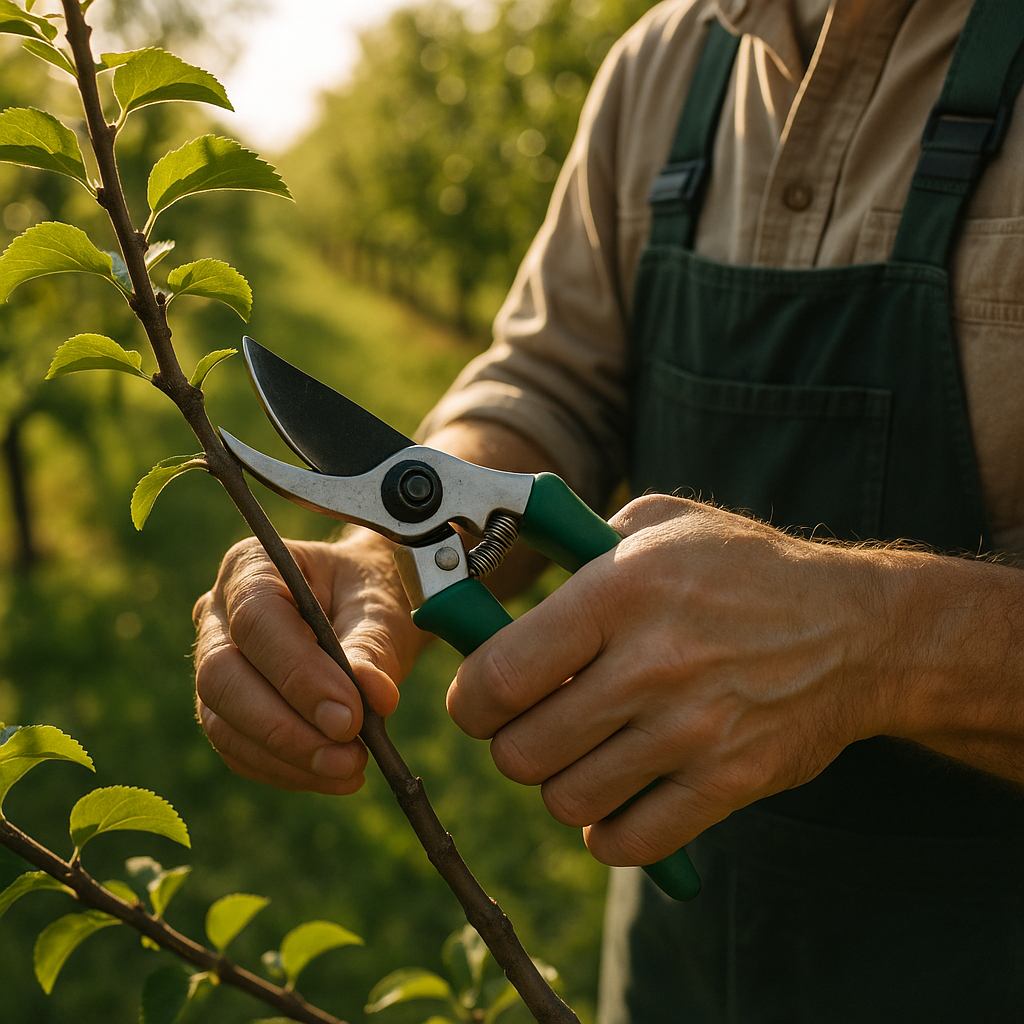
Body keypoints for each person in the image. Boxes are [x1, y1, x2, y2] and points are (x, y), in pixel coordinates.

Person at [192, 0, 1024, 1019]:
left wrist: (878, 639)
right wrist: (381, 556)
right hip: (683, 970)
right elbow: (552, 386)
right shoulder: (666, 66)